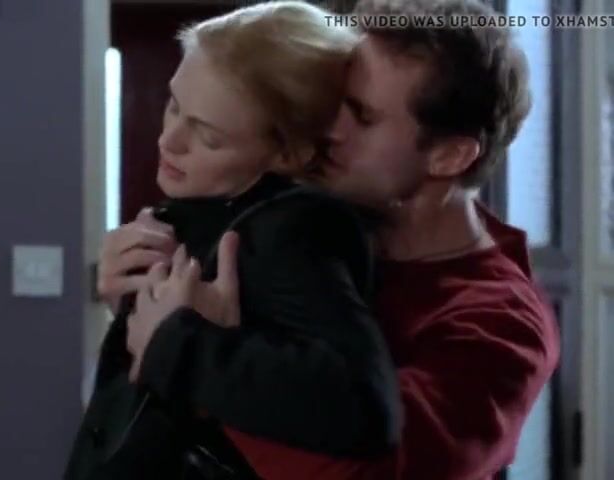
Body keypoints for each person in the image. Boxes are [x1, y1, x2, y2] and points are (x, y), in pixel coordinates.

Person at [133, 0, 561, 479]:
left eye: (363, 116)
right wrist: (142, 283)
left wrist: (199, 363)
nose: (329, 128)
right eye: (335, 100)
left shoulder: (499, 324)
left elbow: (368, 474)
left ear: (449, 156)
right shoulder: (300, 219)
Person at [65, 3, 402, 479]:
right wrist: (132, 303)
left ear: (287, 153)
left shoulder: (293, 228)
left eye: (208, 137)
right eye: (174, 106)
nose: (169, 140)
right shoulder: (211, 206)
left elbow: (364, 407)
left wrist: (177, 342)